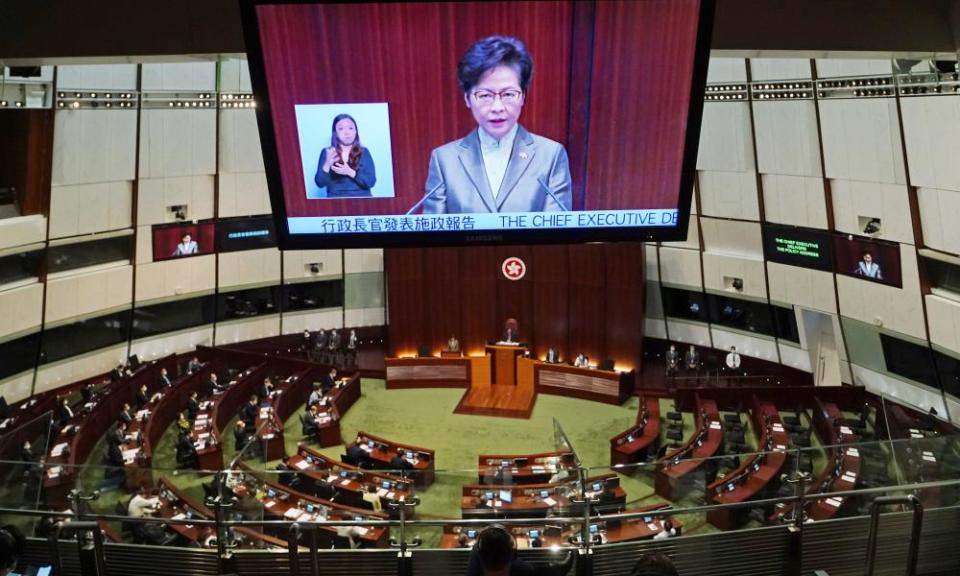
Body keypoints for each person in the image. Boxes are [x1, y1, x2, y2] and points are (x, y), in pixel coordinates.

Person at [419, 36, 571, 215]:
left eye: (508, 94)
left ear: (523, 96)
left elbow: (556, 233)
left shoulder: (551, 156)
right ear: (467, 98)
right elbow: (435, 235)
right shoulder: (444, 159)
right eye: (485, 95)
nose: (497, 107)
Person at [466, 524, 574, 576]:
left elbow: (477, 549)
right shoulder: (524, 569)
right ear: (513, 554)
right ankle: (559, 569)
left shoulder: (475, 563)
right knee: (536, 570)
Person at [313, 113, 377, 198]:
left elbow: (371, 182)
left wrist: (350, 172)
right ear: (335, 133)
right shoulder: (327, 152)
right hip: (335, 200)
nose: (347, 133)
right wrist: (327, 164)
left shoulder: (364, 152)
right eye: (341, 129)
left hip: (362, 200)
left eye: (350, 128)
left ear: (355, 131)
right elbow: (319, 183)